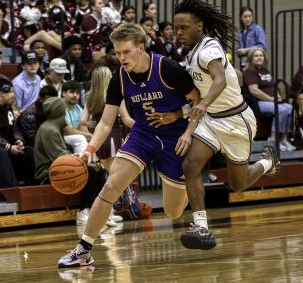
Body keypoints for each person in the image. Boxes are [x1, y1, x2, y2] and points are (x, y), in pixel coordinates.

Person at [57, 23, 198, 268]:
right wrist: (89, 150)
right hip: (143, 135)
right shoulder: (120, 77)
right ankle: (83, 251)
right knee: (111, 185)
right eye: (118, 53)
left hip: (174, 138)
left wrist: (179, 118)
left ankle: (190, 182)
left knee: (173, 211)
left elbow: (199, 103)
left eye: (126, 52)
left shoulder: (168, 68)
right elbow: (105, 122)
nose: (121, 58)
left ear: (141, 48)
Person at [172, 0, 279, 250]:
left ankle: (268, 162)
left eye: (184, 28)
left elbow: (219, 80)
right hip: (212, 120)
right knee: (190, 165)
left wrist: (203, 105)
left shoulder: (209, 49)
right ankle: (202, 227)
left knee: (237, 185)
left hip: (236, 121)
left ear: (199, 26)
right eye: (177, 28)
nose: (179, 33)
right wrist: (182, 116)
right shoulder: (190, 53)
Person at [241, 47, 295, 152]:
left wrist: (277, 95)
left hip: (271, 101)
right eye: (256, 56)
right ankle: (274, 139)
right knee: (282, 110)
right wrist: (270, 99)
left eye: (261, 55)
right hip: (258, 103)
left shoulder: (265, 71)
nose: (259, 58)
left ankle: (284, 139)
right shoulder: (250, 72)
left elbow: (271, 86)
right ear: (251, 58)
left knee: (290, 108)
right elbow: (254, 91)